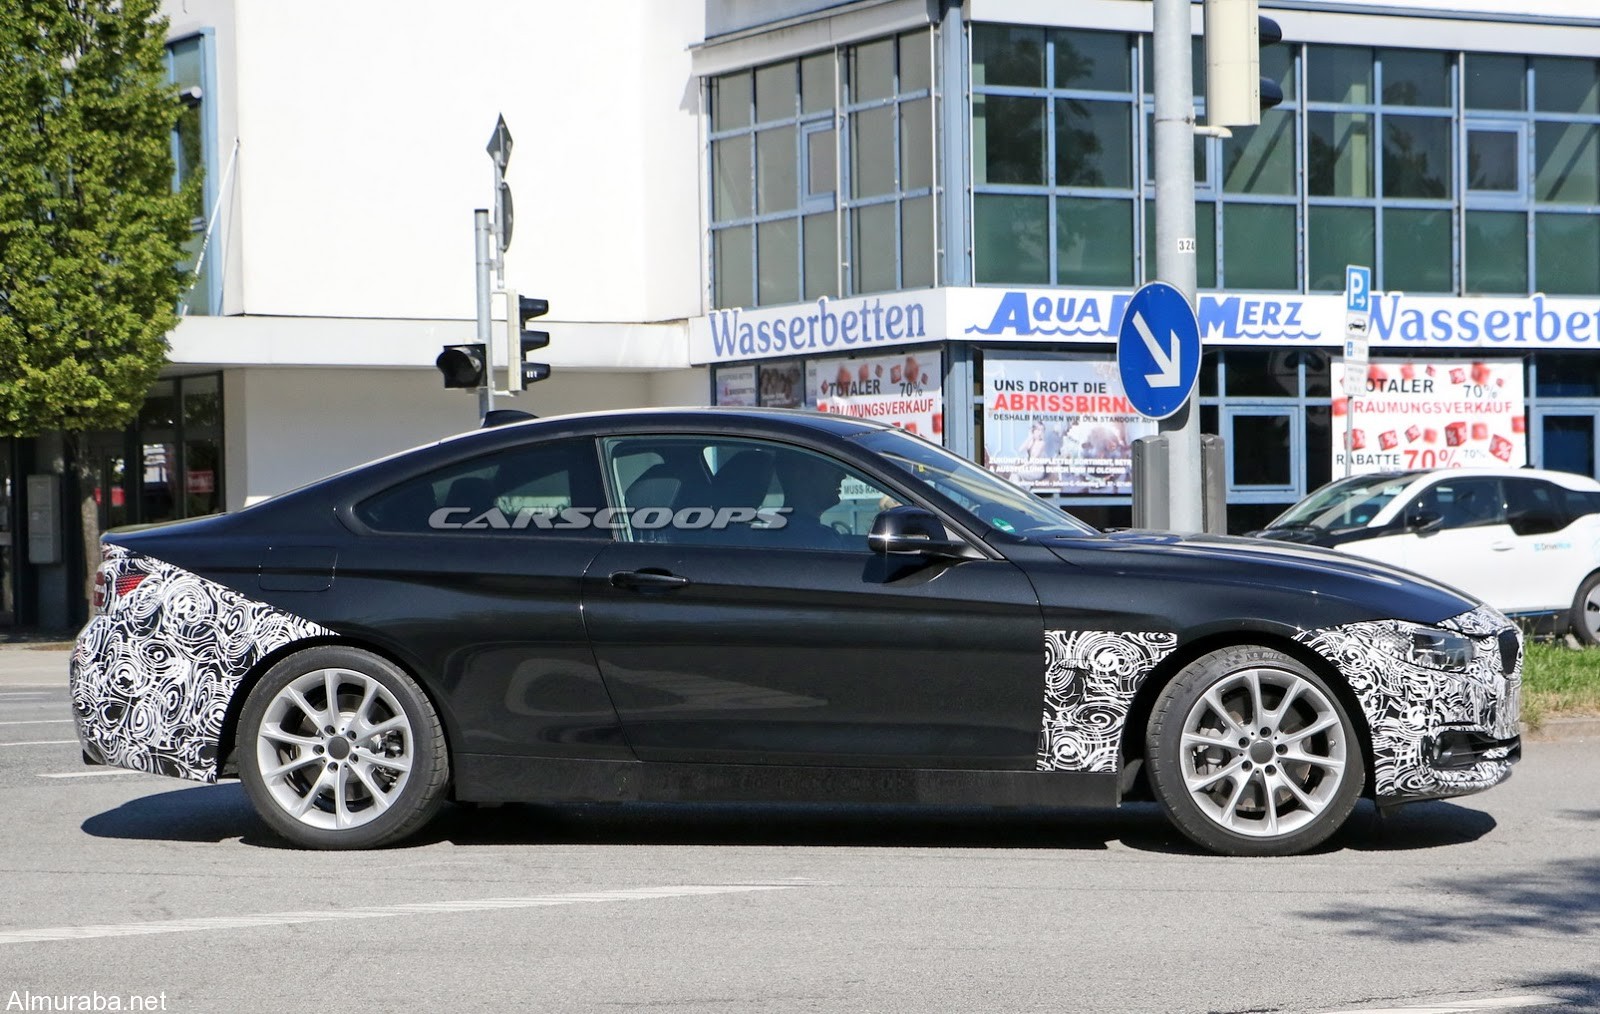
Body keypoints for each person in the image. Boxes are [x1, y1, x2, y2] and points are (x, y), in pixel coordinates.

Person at [768, 451, 854, 550]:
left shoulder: (775, 532)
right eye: (831, 467)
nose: (842, 476)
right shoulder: (819, 540)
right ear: (800, 474)